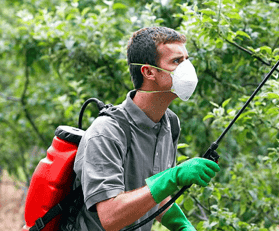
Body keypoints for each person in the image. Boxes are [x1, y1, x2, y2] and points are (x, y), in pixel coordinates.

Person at [73, 26, 220, 231]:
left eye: (187, 59)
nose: (187, 69)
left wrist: (181, 225)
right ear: (148, 71)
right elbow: (110, 216)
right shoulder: (106, 131)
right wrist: (173, 176)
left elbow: (152, 195)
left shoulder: (170, 124)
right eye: (176, 61)